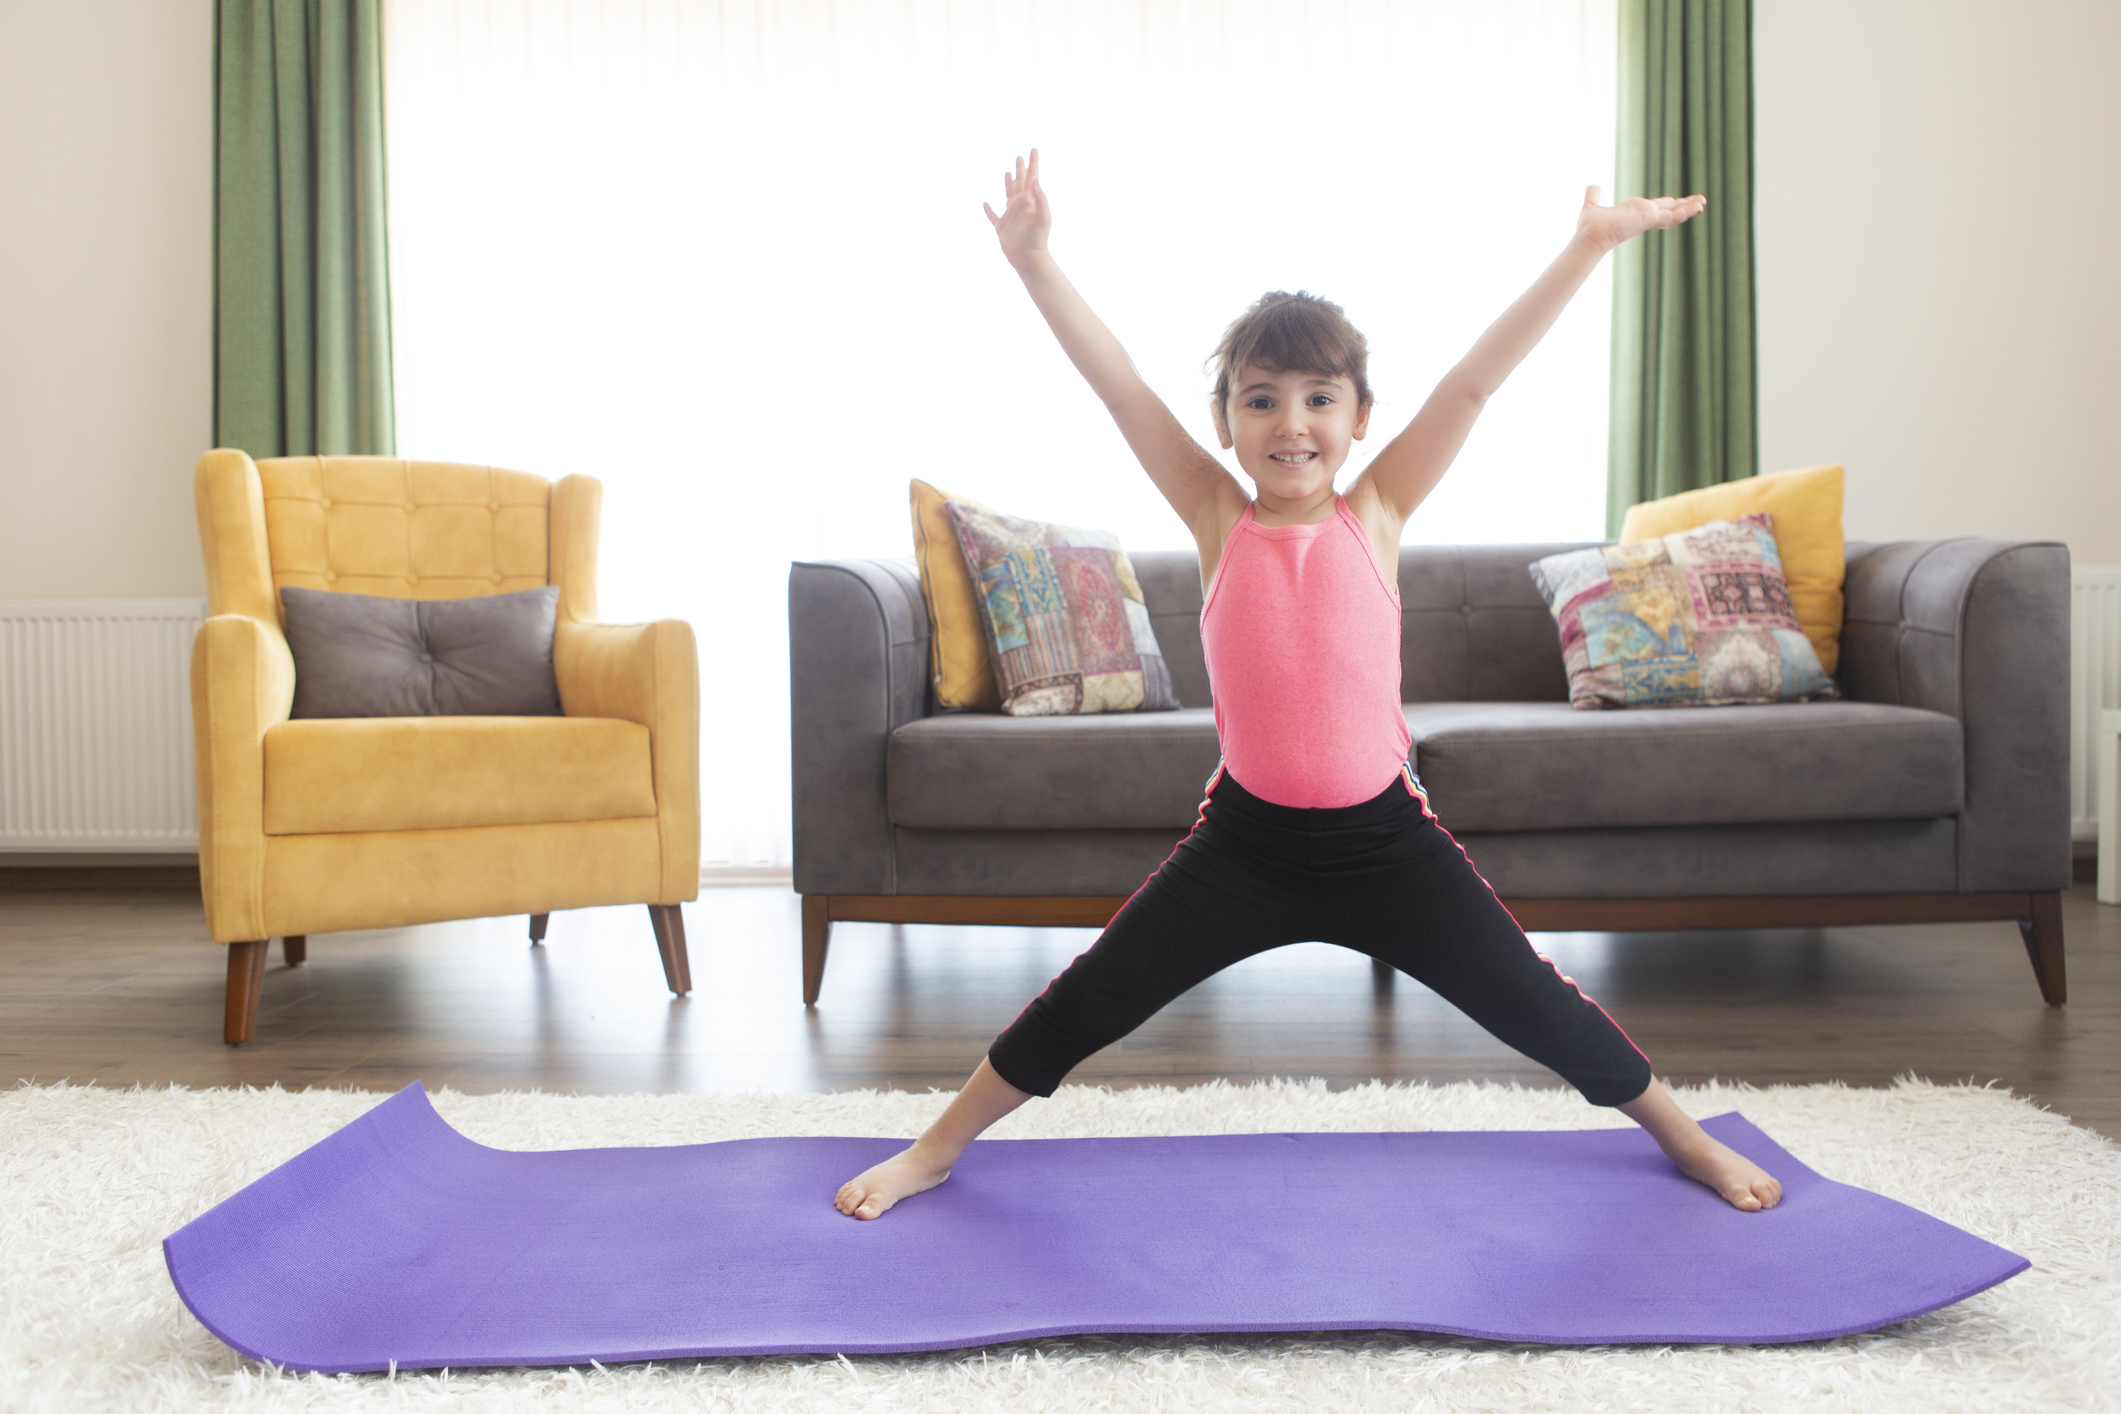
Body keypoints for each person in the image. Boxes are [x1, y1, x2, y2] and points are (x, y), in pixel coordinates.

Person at [836, 149, 1782, 1221]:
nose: (1292, 423)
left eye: (1319, 398)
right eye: (1263, 399)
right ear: (1225, 420)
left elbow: (1474, 381)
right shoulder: (1213, 515)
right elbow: (1119, 387)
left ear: (1361, 416)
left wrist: (1585, 248)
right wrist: (1035, 264)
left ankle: (1686, 1138)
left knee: (1538, 1001)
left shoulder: (1374, 513)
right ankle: (937, 1148)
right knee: (1090, 995)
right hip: (1245, 843)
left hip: (1387, 840)